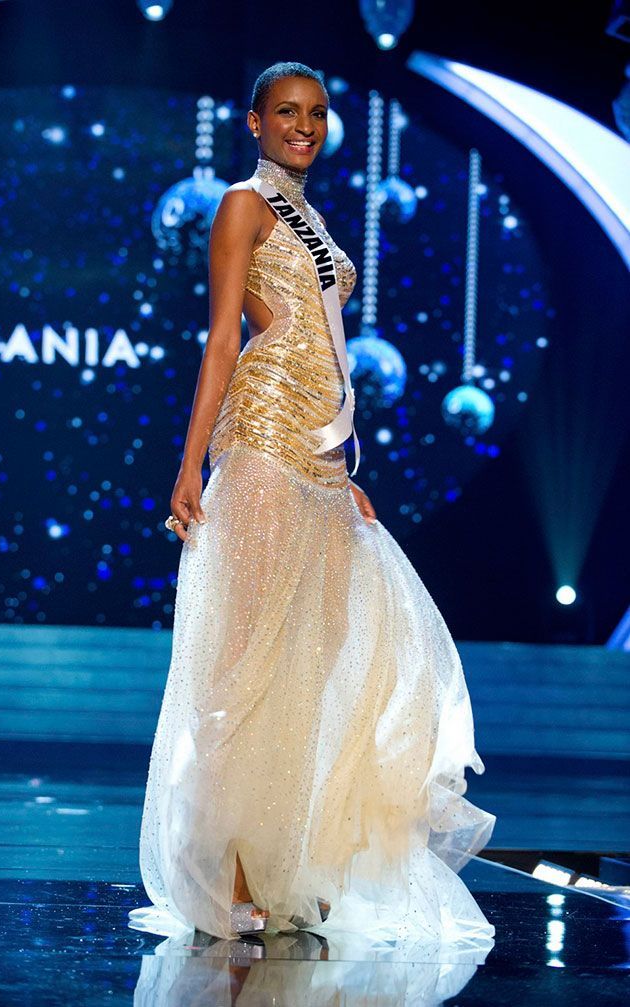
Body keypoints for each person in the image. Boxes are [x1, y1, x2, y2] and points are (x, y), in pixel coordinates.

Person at [128, 61, 496, 945]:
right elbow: (224, 337)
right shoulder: (241, 206)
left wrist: (346, 470)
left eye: (319, 114)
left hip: (323, 468)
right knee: (248, 667)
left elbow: (328, 356)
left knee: (320, 669)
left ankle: (292, 859)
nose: (305, 126)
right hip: (256, 449)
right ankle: (238, 877)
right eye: (287, 113)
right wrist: (190, 467)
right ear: (253, 122)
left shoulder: (321, 223)